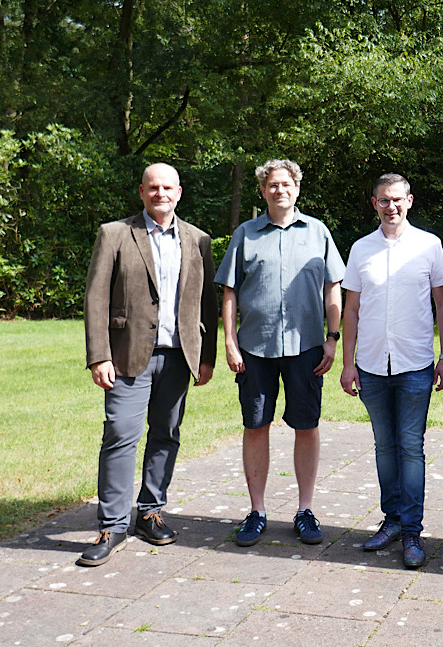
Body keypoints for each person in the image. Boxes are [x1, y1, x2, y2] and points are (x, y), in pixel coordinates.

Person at [81, 163, 217, 566]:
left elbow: (206, 301)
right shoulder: (115, 234)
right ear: (142, 192)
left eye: (167, 187)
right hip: (125, 356)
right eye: (153, 187)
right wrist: (99, 355)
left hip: (178, 356)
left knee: (167, 433)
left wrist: (205, 357)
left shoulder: (198, 239)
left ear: (179, 192)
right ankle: (112, 524)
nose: (160, 193)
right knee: (121, 434)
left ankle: (150, 511)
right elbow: (95, 298)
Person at [216, 159, 345, 547]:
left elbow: (333, 287)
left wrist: (333, 337)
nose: (279, 190)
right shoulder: (246, 234)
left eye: (286, 183)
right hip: (255, 346)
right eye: (272, 184)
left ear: (297, 188)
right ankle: (256, 511)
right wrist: (228, 340)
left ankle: (305, 510)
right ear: (263, 190)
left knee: (306, 425)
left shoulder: (318, 233)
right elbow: (229, 291)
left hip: (307, 347)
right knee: (256, 425)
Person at [340, 173, 443, 569]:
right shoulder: (360, 249)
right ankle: (390, 520)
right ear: (374, 204)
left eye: (397, 200)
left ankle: (412, 532)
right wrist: (347, 363)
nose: (391, 207)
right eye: (383, 201)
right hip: (371, 364)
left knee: (410, 446)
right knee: (383, 446)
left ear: (409, 201)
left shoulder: (429, 245)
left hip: (415, 364)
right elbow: (351, 310)